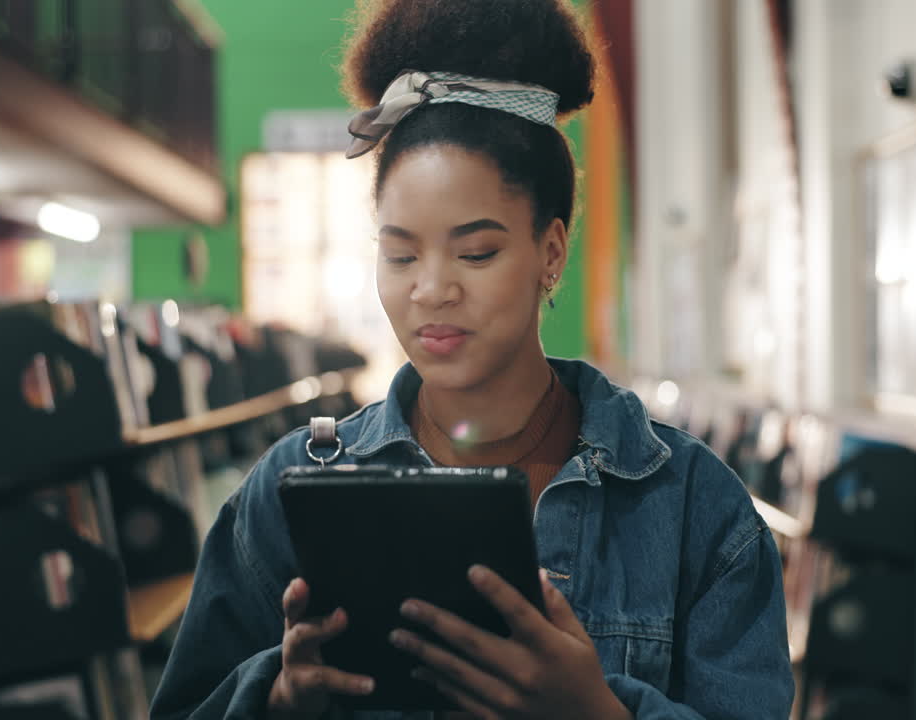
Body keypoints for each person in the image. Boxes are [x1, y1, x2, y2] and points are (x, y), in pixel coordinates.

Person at [150, 0, 795, 717]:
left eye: (476, 251)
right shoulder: (291, 492)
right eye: (400, 253)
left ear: (550, 253)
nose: (431, 289)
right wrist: (275, 697)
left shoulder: (693, 510)